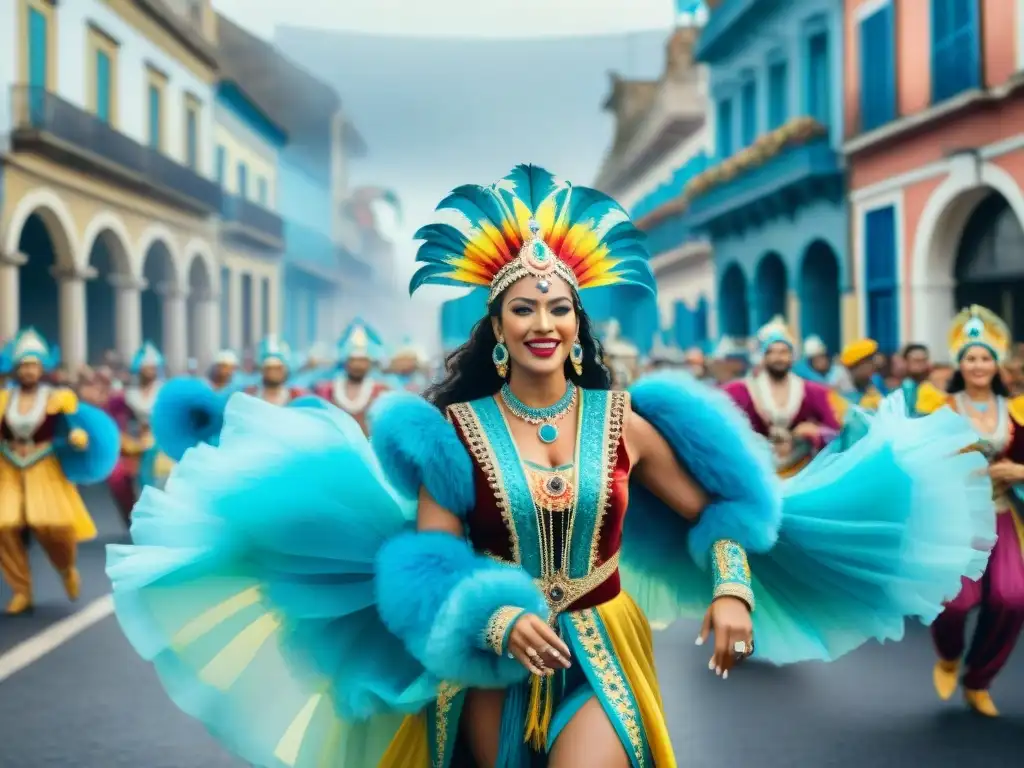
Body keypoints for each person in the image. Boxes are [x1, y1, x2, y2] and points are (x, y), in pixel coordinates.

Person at [108, 165, 993, 767]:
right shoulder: (450, 431)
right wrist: (491, 623)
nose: (543, 321)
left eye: (559, 308)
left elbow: (717, 512)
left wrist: (730, 587)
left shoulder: (624, 423)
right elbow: (422, 565)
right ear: (496, 328)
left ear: (578, 324)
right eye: (524, 307)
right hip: (492, 657)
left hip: (604, 641)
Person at [919, 306, 1024, 717]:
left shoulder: (1017, 410)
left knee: (1012, 598)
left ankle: (978, 681)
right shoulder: (939, 406)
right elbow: (917, 461)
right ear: (959, 363)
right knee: (955, 602)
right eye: (970, 357)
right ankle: (949, 654)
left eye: (985, 357)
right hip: (954, 519)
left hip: (1001, 514)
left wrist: (1018, 470)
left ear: (996, 364)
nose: (978, 365)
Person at [0, 328, 119, 614]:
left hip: (45, 467)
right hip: (8, 468)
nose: (28, 371)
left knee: (53, 526)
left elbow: (76, 426)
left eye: (33, 365)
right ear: (16, 369)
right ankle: (21, 590)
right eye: (24, 365)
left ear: (42, 368)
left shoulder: (58, 398)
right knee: (3, 525)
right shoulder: (4, 399)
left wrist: (78, 438)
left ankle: (66, 569)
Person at [724, 317, 840, 477]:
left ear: (792, 356)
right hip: (757, 471)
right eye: (771, 352)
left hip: (803, 471)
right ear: (763, 356)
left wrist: (814, 432)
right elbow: (725, 428)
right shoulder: (740, 391)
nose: (778, 358)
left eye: (783, 352)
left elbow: (836, 431)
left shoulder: (814, 391)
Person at [106, 342, 170, 525]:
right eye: (146, 368)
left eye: (152, 367)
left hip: (161, 444)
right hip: (137, 442)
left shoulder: (164, 391)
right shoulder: (128, 394)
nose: (149, 371)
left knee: (159, 482)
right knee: (120, 478)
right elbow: (118, 420)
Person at [314, 319, 391, 434]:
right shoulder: (327, 390)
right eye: (353, 360)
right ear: (345, 361)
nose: (357, 365)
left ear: (370, 363)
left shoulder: (381, 391)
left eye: (362, 361)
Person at [245, 336, 305, 405]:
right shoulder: (251, 395)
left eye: (278, 367)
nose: (273, 372)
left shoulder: (296, 396)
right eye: (269, 367)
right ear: (261, 369)